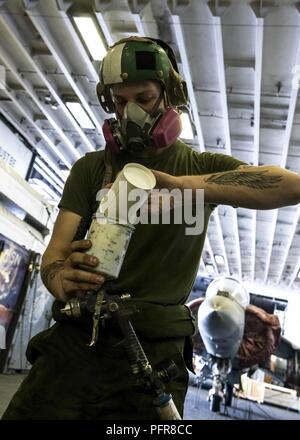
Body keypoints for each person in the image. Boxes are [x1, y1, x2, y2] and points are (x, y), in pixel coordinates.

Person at [2, 36, 300, 420]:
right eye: (120, 102)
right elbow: (54, 254)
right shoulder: (92, 169)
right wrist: (59, 278)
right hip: (75, 346)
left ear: (170, 95)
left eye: (143, 99)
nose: (131, 115)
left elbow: (290, 186)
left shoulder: (199, 167)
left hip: (152, 358)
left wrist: (183, 187)